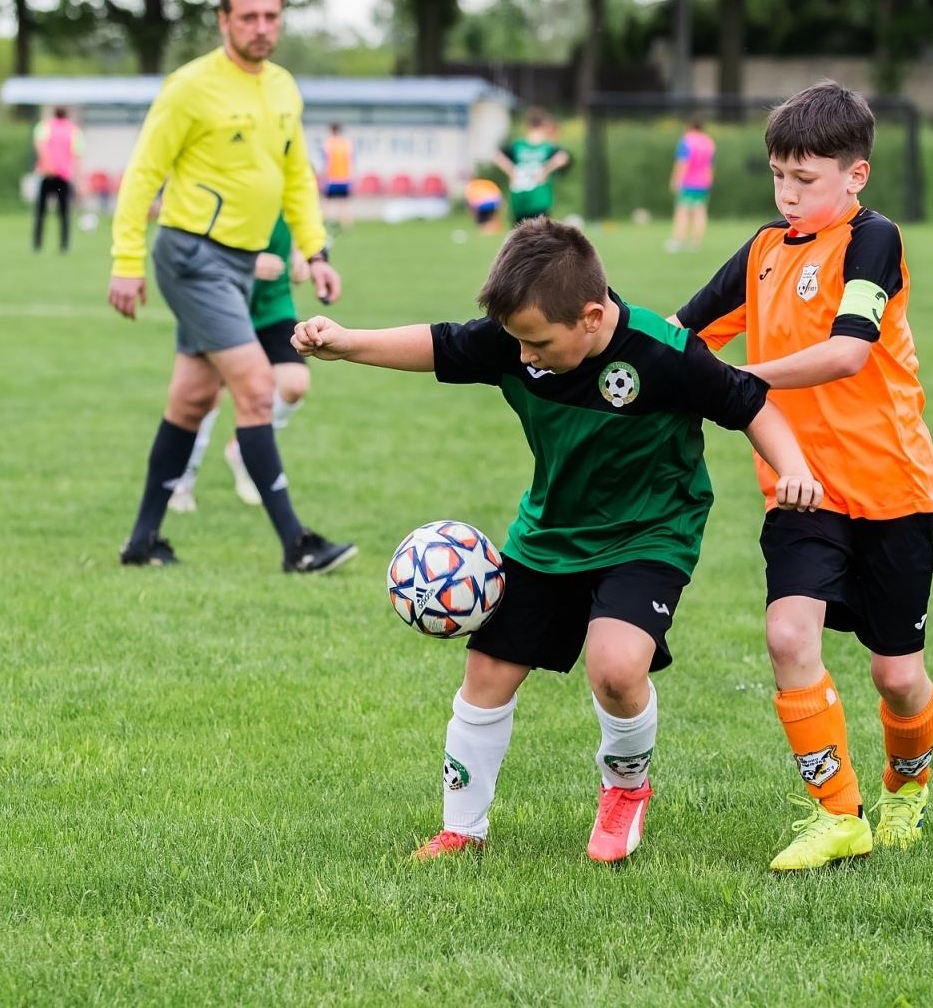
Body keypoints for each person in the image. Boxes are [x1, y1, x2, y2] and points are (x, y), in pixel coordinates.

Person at [293, 217, 823, 864]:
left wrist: (793, 468)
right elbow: (439, 344)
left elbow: (750, 403)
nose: (523, 355)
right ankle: (462, 828)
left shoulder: (665, 353)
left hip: (648, 534)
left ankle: (625, 788)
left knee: (616, 668)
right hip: (549, 533)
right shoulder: (519, 337)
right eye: (516, 341)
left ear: (592, 317)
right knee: (488, 671)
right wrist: (346, 343)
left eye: (537, 341)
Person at [673, 81, 933, 871]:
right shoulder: (763, 250)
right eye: (778, 176)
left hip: (892, 488)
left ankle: (906, 786)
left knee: (897, 675)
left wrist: (739, 380)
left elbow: (849, 350)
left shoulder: (873, 239)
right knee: (788, 634)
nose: (787, 195)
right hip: (800, 487)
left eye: (805, 179)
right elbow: (680, 335)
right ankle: (837, 814)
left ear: (855, 176)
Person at [107, 0, 354, 572]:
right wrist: (126, 261)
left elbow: (296, 178)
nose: (261, 28)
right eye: (248, 17)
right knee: (257, 388)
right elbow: (142, 174)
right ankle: (297, 545)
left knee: (191, 401)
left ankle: (141, 543)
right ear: (223, 21)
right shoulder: (190, 88)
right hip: (193, 257)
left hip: (241, 265)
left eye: (271, 16)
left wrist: (315, 251)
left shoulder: (284, 88)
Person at [169, 216, 312, 513]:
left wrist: (302, 254)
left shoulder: (293, 188)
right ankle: (182, 480)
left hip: (273, 304)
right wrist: (246, 263)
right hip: (224, 302)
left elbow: (301, 215)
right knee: (206, 394)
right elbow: (195, 237)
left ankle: (242, 449)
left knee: (294, 383)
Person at [494, 108, 570, 223]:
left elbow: (497, 156)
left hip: (519, 196)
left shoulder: (517, 145)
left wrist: (511, 171)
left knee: (519, 232)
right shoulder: (548, 146)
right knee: (540, 231)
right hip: (539, 196)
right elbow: (563, 158)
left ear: (526, 126)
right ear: (544, 125)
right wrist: (546, 170)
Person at [33, 107, 84, 252]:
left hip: (47, 174)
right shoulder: (74, 130)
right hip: (64, 176)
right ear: (67, 115)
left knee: (41, 212)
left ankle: (37, 244)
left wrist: (47, 165)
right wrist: (80, 179)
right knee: (64, 213)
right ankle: (64, 245)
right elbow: (78, 155)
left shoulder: (44, 126)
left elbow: (39, 145)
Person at [668, 118, 715, 252]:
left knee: (682, 211)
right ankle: (696, 242)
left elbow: (683, 162)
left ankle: (677, 240)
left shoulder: (687, 140)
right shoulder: (708, 142)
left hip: (688, 182)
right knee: (699, 211)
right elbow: (710, 165)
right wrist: (709, 181)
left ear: (690, 126)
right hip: (703, 183)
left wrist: (676, 179)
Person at [321, 123, 354, 231]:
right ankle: (347, 226)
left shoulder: (329, 143)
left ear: (331, 131)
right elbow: (350, 160)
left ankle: (326, 224)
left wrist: (324, 176)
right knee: (344, 204)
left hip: (332, 178)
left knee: (327, 203)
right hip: (345, 178)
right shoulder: (346, 143)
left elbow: (327, 161)